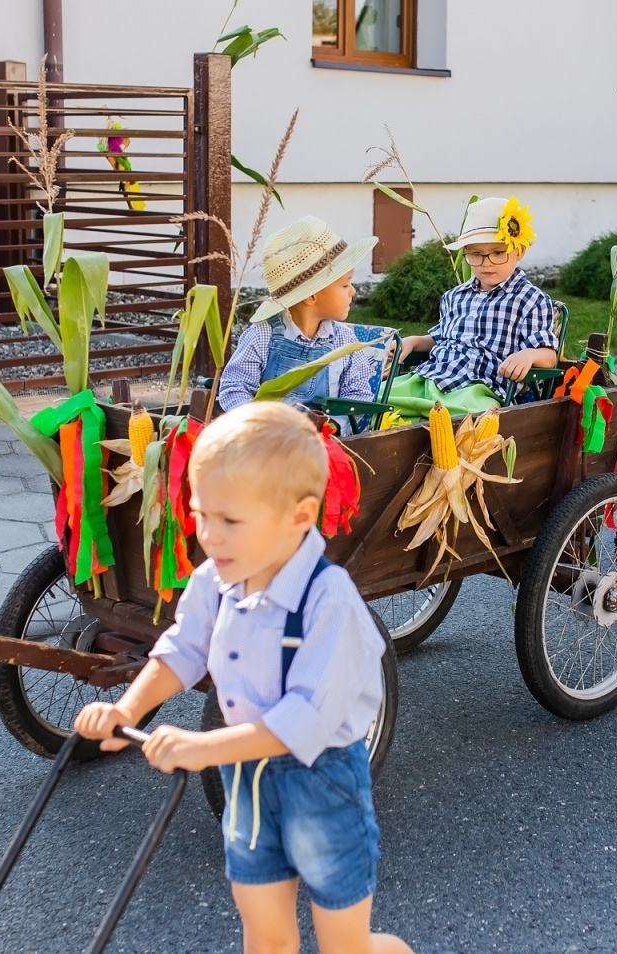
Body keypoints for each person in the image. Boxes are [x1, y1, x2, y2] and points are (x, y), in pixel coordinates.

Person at [73, 402, 411, 954]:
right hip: (247, 780)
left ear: (300, 516)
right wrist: (127, 711)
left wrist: (204, 748)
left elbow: (302, 719)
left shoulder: (330, 603)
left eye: (231, 521)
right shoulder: (215, 579)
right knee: (266, 936)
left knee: (345, 946)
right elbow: (181, 650)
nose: (210, 536)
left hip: (322, 781)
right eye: (203, 515)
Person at [387, 195, 560, 419]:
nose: (486, 262)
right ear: (466, 253)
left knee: (469, 421)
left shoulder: (530, 299)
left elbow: (549, 356)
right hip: (432, 376)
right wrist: (414, 341)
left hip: (479, 389)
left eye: (498, 253)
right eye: (476, 254)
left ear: (519, 251)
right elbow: (441, 338)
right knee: (380, 397)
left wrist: (528, 355)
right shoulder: (455, 296)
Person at [218, 216, 379, 417]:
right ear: (311, 296)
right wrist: (254, 422)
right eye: (345, 284)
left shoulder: (345, 342)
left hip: (325, 440)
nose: (353, 291)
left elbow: (358, 397)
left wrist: (334, 426)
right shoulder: (262, 335)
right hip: (269, 438)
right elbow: (235, 387)